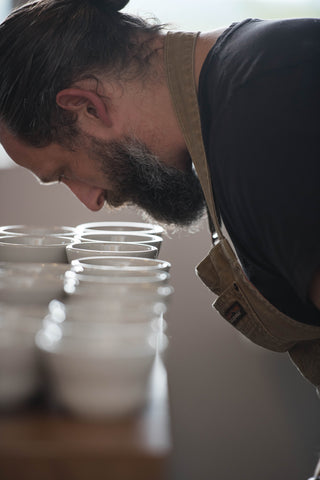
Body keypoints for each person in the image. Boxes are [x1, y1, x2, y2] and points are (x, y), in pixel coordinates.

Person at [0, 2, 320, 361]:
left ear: (87, 107)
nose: (90, 201)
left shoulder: (264, 110)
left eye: (64, 173)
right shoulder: (238, 90)